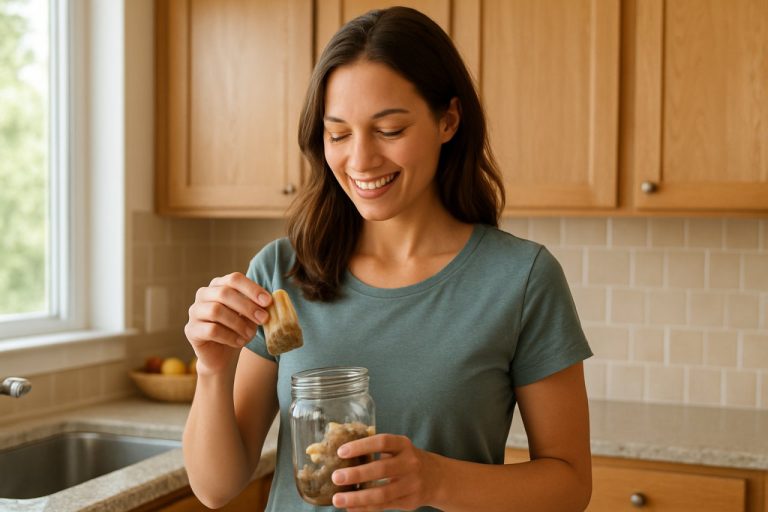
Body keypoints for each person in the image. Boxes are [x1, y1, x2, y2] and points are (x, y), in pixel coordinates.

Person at [183, 6, 593, 512]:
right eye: (339, 134)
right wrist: (212, 368)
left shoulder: (520, 280)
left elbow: (570, 485)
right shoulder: (282, 271)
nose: (360, 160)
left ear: (448, 120)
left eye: (390, 130)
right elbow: (216, 487)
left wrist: (437, 480)